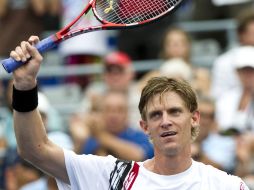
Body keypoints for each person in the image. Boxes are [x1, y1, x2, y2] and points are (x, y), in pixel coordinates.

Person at [9, 36, 249, 189]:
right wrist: (24, 86)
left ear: (194, 118)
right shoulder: (112, 176)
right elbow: (35, 149)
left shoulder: (225, 185)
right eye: (156, 115)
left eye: (175, 112)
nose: (165, 121)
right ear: (144, 126)